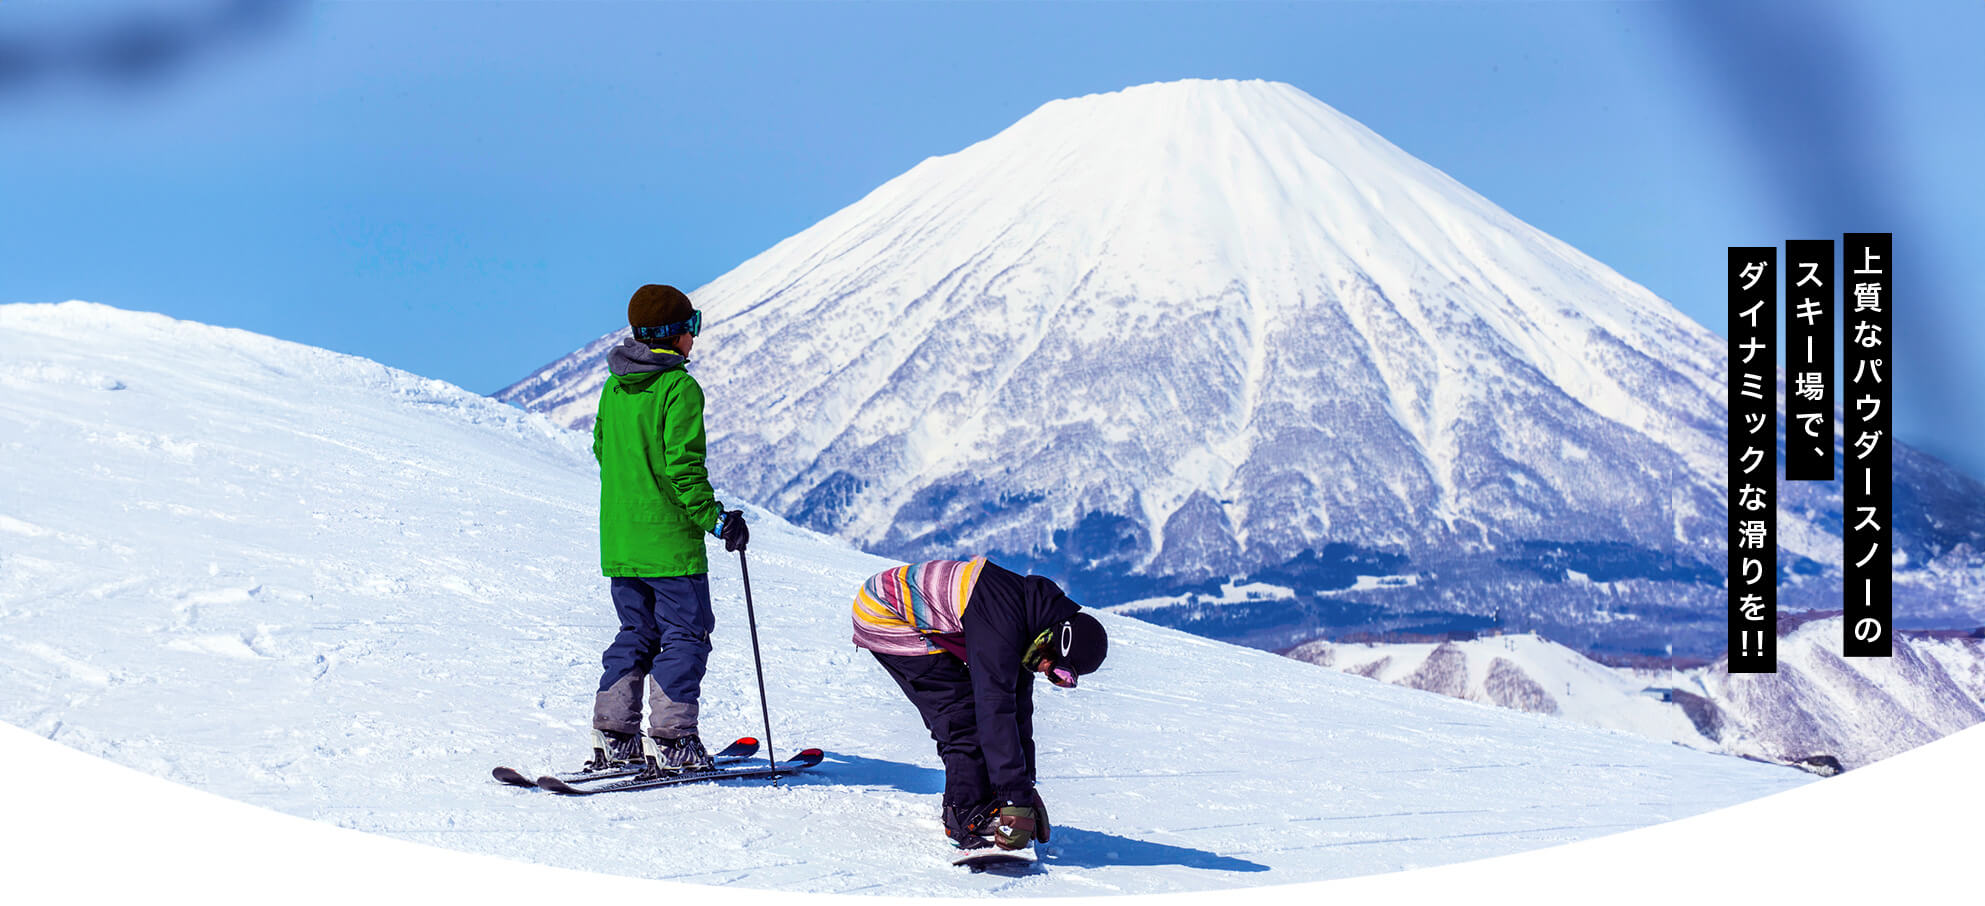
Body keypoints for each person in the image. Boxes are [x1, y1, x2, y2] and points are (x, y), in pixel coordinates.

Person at [588, 284, 750, 772]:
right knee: (686, 634)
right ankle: (674, 737)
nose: (694, 338)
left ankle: (614, 731)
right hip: (670, 547)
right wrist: (718, 520)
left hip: (621, 542)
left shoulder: (614, 386)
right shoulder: (678, 388)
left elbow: (602, 448)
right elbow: (684, 470)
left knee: (635, 630)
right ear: (674, 335)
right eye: (691, 327)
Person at [851, 557, 1108, 850]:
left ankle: (982, 802)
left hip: (896, 610)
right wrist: (1015, 801)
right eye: (1058, 670)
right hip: (883, 616)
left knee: (977, 712)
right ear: (1059, 638)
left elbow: (1017, 712)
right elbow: (993, 712)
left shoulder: (1027, 623)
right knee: (963, 717)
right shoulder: (1002, 623)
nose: (1047, 673)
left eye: (1061, 678)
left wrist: (1024, 788)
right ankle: (964, 813)